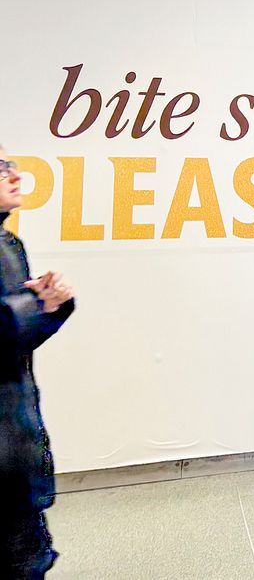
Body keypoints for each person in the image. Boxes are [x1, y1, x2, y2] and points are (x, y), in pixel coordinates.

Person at [0, 150, 76, 579]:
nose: (16, 176)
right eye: (1, 169)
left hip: (15, 442)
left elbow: (16, 342)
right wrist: (35, 305)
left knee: (29, 561)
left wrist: (52, 306)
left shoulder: (9, 245)